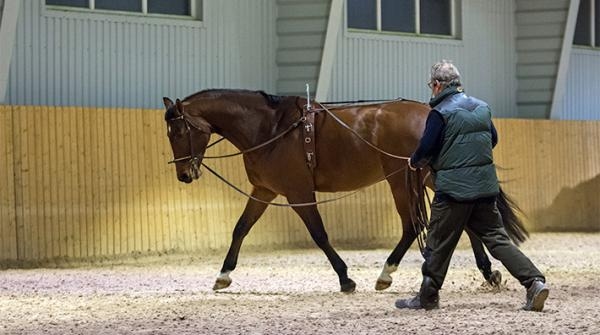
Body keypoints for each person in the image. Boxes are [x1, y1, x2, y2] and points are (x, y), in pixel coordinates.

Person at [395, 60, 549, 312]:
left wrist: (413, 162)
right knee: (498, 241)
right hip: (485, 190)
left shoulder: (439, 113)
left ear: (437, 85)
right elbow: (493, 139)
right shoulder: (482, 107)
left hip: (453, 192)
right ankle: (534, 282)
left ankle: (428, 297)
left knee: (438, 242)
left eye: (431, 85)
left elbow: (426, 149)